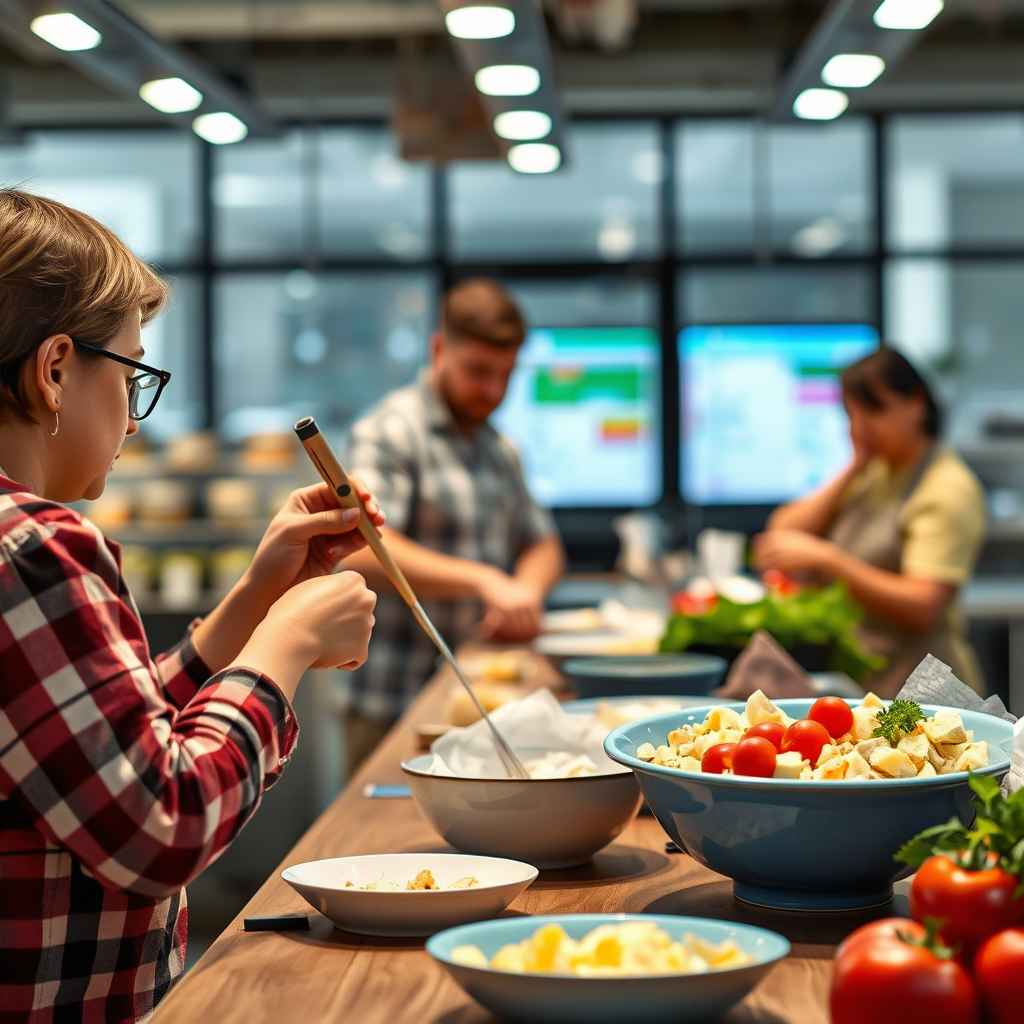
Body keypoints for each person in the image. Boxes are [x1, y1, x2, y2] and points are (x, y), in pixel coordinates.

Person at [0, 189, 384, 1022]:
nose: (135, 422)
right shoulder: (33, 547)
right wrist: (281, 651)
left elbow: (89, 747)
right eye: (132, 374)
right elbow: (159, 824)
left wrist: (256, 599)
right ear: (56, 368)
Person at [342, 279, 566, 771]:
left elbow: (544, 544)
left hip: (483, 701)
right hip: (395, 702)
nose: (492, 390)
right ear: (439, 348)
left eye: (504, 375)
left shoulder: (500, 448)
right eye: (477, 371)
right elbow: (362, 545)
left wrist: (523, 593)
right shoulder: (390, 431)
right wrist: (486, 581)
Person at [754, 346, 986, 697]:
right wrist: (854, 466)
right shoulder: (878, 470)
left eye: (873, 411)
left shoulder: (947, 488)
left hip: (929, 691)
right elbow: (783, 530)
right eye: (851, 414)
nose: (859, 427)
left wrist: (829, 559)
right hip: (872, 684)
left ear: (917, 403)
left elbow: (924, 605)